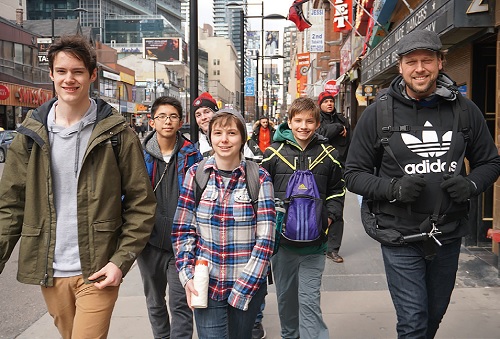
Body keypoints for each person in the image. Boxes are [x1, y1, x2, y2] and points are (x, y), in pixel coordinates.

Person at [344, 29, 500, 338]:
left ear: (441, 62)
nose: (419, 68)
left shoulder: (465, 111)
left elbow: (490, 162)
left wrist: (470, 185)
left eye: (427, 60)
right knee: (413, 321)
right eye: (411, 61)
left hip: (448, 234)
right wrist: (392, 189)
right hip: (399, 234)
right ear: (400, 66)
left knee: (432, 316)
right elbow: (353, 174)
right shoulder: (377, 114)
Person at [0, 35, 157, 338]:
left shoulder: (117, 133)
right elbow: (10, 206)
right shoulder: (30, 134)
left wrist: (119, 262)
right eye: (61, 71)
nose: (69, 79)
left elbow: (141, 203)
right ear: (51, 74)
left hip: (98, 268)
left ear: (92, 75)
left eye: (77, 72)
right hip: (50, 269)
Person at [172, 109, 276, 339]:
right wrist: (188, 276)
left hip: (247, 283)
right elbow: (183, 230)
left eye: (231, 133)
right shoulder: (196, 174)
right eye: (218, 133)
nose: (224, 139)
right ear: (210, 137)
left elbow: (266, 238)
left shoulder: (258, 177)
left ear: (242, 138)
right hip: (206, 284)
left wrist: (243, 287)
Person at [261, 97, 345, 339]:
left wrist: (329, 218)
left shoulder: (329, 154)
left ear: (318, 124)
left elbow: (338, 190)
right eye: (297, 120)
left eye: (309, 121)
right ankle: (290, 336)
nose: (303, 126)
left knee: (309, 301)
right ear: (289, 122)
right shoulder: (272, 154)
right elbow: (262, 191)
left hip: (315, 244)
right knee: (286, 299)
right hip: (282, 246)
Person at [138, 96, 202, 339]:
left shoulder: (192, 156)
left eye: (173, 116)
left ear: (181, 121)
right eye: (162, 116)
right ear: (152, 122)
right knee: (155, 302)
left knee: (181, 304)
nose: (168, 121)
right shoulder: (138, 155)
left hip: (182, 245)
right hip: (149, 242)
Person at [316, 91, 351, 263]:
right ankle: (317, 242)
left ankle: (333, 249)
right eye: (326, 101)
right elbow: (321, 134)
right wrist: (337, 128)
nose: (329, 103)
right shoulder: (316, 119)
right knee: (318, 206)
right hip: (319, 169)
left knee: (336, 209)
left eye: (331, 101)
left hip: (340, 170)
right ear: (320, 104)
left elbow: (351, 143)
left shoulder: (343, 120)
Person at [192, 92, 219, 157]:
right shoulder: (195, 149)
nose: (203, 118)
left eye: (207, 112)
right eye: (198, 115)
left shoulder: (231, 139)